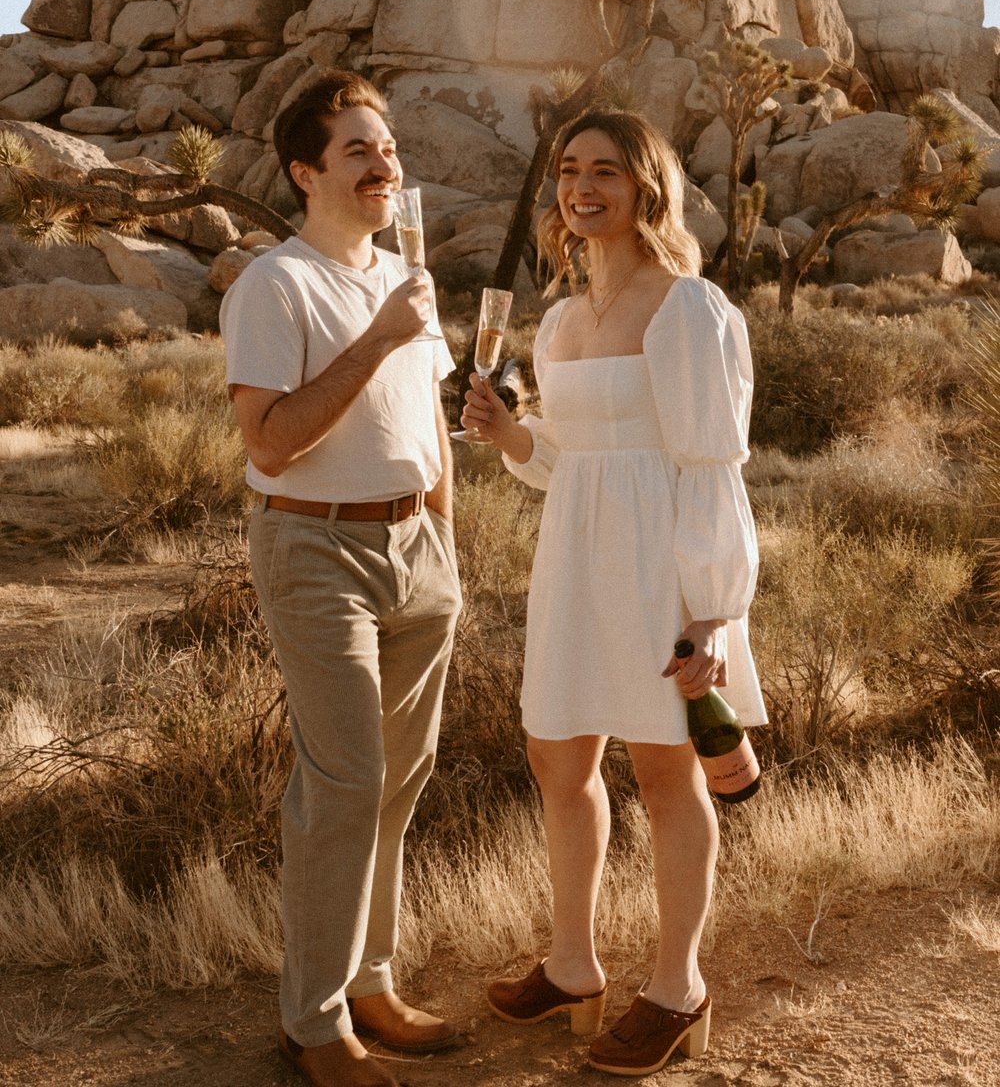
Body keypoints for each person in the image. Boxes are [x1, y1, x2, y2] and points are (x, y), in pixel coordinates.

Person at [460, 107, 767, 1077]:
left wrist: (710, 608)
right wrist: (509, 435)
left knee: (667, 776)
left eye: (605, 171)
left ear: (646, 188)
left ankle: (677, 988)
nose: (581, 187)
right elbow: (569, 460)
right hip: (574, 561)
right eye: (568, 170)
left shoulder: (687, 308)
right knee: (557, 756)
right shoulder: (557, 319)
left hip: (658, 571)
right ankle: (572, 962)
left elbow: (710, 464)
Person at [220, 71, 463, 1087]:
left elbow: (428, 428)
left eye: (388, 145)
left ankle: (369, 980)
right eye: (357, 148)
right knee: (342, 783)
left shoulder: (409, 279)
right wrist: (376, 338)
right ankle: (313, 1023)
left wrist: (449, 548)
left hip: (417, 550)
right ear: (305, 172)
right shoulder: (274, 284)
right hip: (315, 548)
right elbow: (269, 442)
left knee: (396, 781)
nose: (383, 161)